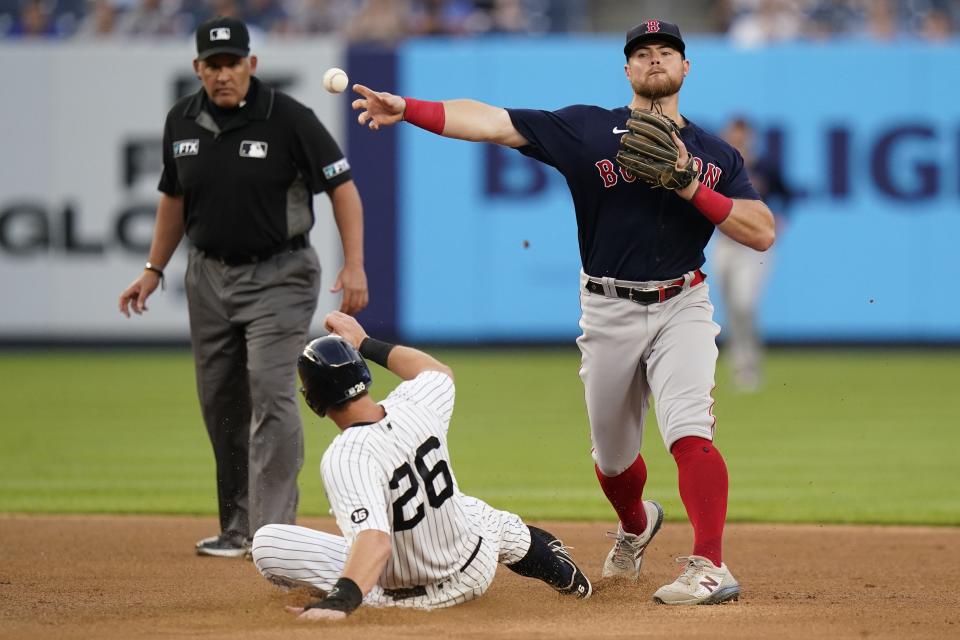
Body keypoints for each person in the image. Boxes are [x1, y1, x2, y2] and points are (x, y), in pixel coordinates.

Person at [351, 19, 775, 604]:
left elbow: (761, 231)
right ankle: (634, 524)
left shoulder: (713, 154)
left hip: (683, 302)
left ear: (685, 67)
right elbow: (494, 123)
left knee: (689, 430)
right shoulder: (590, 130)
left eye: (667, 52)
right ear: (627, 69)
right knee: (613, 457)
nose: (655, 61)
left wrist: (687, 185)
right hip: (607, 307)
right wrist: (410, 108)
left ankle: (711, 565)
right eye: (643, 53)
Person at [118, 16, 369, 558]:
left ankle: (272, 533)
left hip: (280, 273)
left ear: (251, 64)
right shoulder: (180, 120)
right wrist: (153, 269)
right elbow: (172, 200)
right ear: (198, 69)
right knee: (221, 400)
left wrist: (354, 265)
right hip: (207, 275)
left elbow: (342, 188)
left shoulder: (289, 118)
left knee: (271, 389)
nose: (223, 73)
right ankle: (237, 526)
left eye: (233, 62)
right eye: (213, 65)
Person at [250, 311, 592, 620]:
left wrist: (339, 603)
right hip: (476, 564)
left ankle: (348, 593)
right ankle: (567, 578)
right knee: (485, 516)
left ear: (313, 402)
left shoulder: (345, 457)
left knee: (267, 543)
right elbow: (436, 371)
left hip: (406, 600)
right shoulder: (414, 403)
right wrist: (364, 342)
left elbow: (375, 541)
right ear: (363, 373)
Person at [712, 116, 793, 392]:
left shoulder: (764, 167)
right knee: (729, 306)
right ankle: (737, 361)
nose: (738, 141)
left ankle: (749, 363)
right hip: (724, 242)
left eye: (742, 136)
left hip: (753, 246)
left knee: (744, 303)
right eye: (733, 135)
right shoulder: (718, 165)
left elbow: (788, 194)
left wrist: (781, 219)